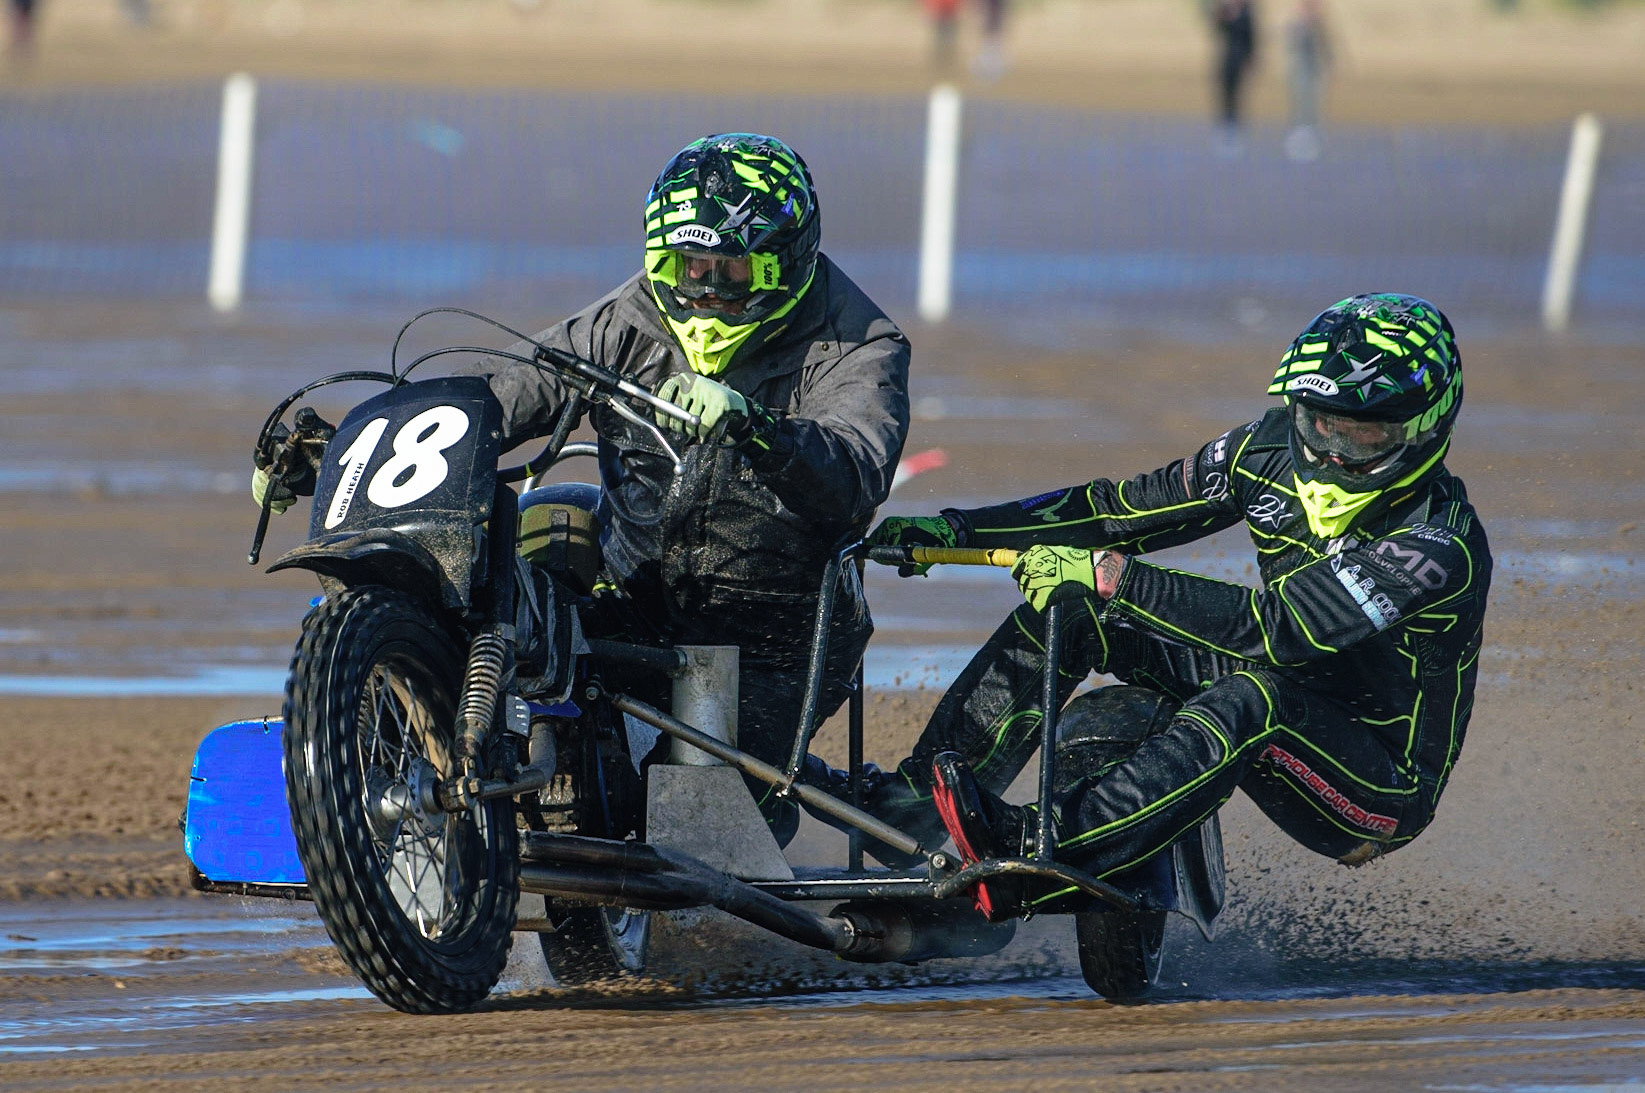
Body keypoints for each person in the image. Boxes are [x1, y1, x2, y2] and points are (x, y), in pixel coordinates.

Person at [256, 133, 911, 846]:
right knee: (541, 522)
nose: (708, 292)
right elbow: (499, 398)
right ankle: (405, 736)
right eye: (688, 267)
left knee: (694, 830)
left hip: (778, 635)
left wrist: (756, 428)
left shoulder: (861, 342)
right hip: (636, 599)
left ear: (787, 263)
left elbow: (854, 475)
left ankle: (796, 793)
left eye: (732, 270)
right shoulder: (625, 321)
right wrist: (341, 450)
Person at [863, 294, 1490, 917]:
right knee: (1078, 611)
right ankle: (911, 807)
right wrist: (959, 531)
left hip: (1374, 790)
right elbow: (1114, 511)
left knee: (1254, 697)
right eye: (1320, 422)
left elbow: (1283, 630)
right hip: (1273, 686)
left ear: (1426, 428)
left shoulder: (1440, 543)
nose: (1331, 452)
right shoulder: (1262, 451)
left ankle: (1041, 844)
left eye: (1362, 434)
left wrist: (1117, 577)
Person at [1283, 0, 1331, 162]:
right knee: (1299, 103)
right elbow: (1290, 46)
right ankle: (1299, 136)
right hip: (1299, 71)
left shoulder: (1319, 27)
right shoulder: (1297, 26)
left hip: (1314, 72)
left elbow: (1326, 49)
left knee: (1312, 104)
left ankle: (1311, 136)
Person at [1210, 0, 1258, 151]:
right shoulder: (1225, 11)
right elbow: (1218, 30)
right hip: (1226, 59)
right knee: (1225, 94)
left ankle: (1235, 130)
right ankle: (1225, 127)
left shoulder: (1246, 13)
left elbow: (1251, 38)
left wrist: (1250, 59)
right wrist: (1222, 15)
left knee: (1236, 95)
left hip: (1239, 60)